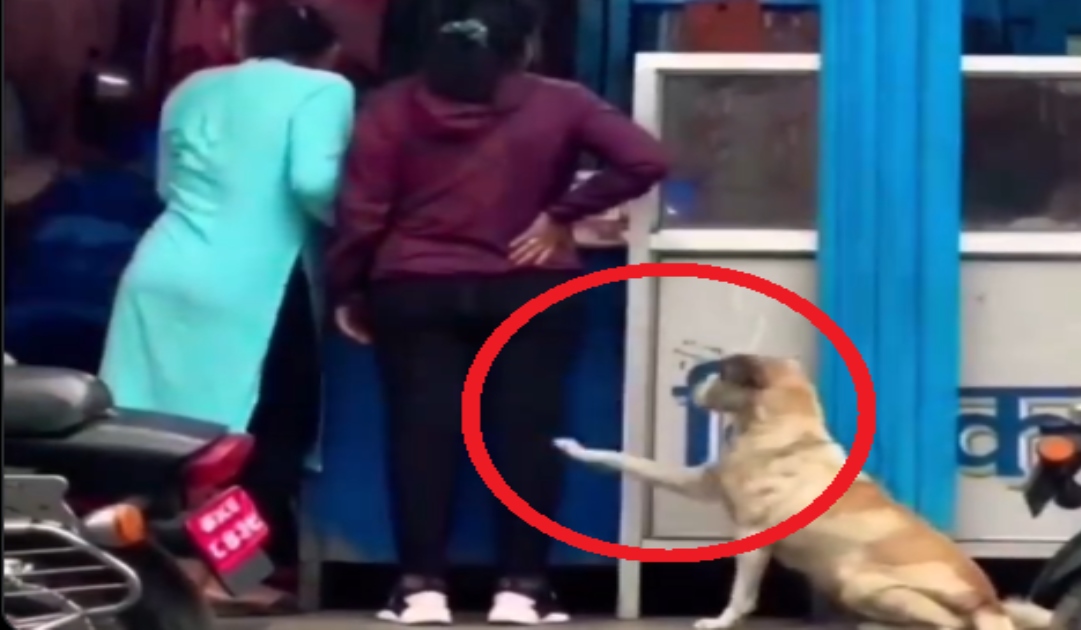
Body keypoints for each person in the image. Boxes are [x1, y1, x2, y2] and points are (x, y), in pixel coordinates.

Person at [326, 0, 669, 624]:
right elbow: (646, 159)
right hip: (528, 287)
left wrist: (349, 288)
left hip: (415, 288)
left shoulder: (392, 106)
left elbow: (362, 212)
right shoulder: (562, 102)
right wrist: (560, 215)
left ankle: (421, 589)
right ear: (526, 48)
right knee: (524, 437)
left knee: (420, 436)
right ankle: (523, 588)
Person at [99, 1, 354, 614]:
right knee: (266, 433)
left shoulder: (192, 87)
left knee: (159, 434)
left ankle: (168, 572)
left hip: (161, 268)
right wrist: (366, 220)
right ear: (326, 50)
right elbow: (315, 184)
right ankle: (233, 579)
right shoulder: (325, 87)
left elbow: (165, 184)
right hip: (253, 280)